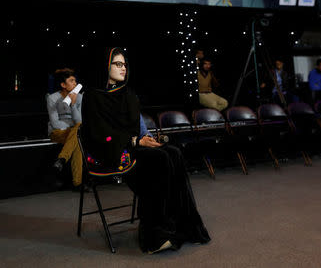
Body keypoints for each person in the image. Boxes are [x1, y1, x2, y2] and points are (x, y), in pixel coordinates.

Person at [81, 47, 210, 254]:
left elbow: (138, 126)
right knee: (158, 160)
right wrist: (135, 142)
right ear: (105, 66)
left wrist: (147, 139)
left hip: (134, 146)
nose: (123, 68)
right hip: (110, 152)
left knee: (173, 152)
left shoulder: (129, 95)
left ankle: (181, 227)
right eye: (118, 64)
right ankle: (155, 236)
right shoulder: (92, 97)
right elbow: (99, 134)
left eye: (125, 64)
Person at [47, 68, 85, 191]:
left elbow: (79, 121)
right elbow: (54, 122)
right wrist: (71, 130)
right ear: (63, 85)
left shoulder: (79, 98)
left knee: (78, 136)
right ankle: (77, 183)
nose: (75, 83)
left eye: (75, 81)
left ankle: (62, 159)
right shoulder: (52, 98)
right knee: (77, 135)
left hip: (74, 130)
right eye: (71, 81)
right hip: (57, 132)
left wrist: (73, 104)